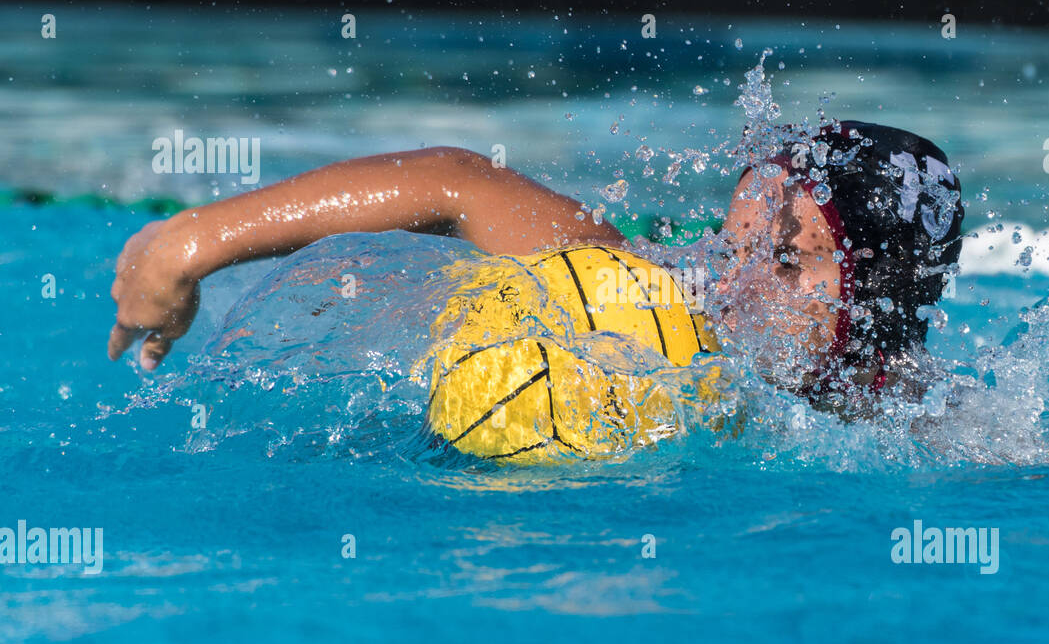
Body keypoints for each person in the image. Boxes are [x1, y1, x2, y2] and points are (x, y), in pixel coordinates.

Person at [107, 120, 963, 412]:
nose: (732, 286)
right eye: (732, 247)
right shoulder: (650, 300)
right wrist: (191, 244)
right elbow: (455, 184)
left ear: (880, 291)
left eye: (784, 260)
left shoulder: (944, 442)